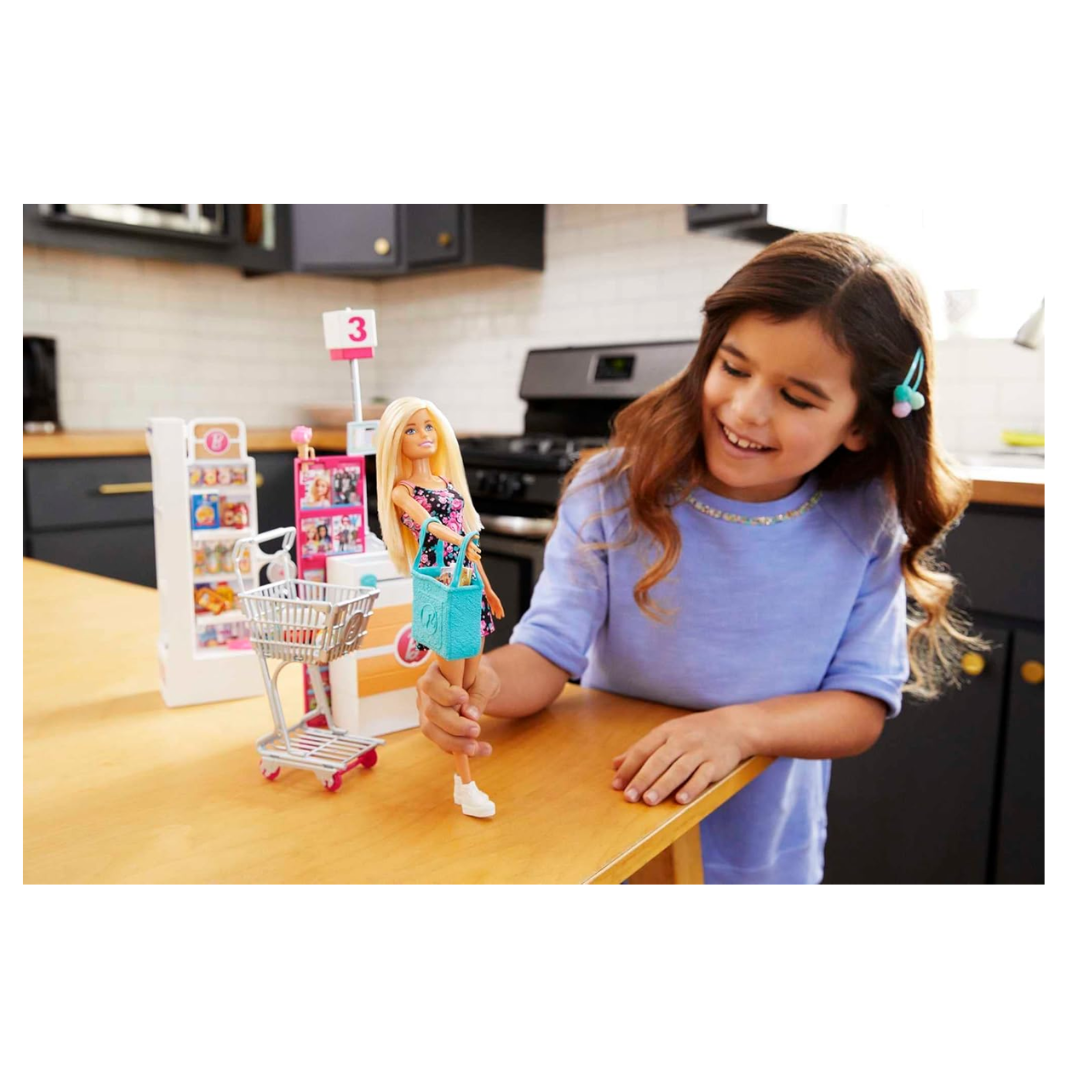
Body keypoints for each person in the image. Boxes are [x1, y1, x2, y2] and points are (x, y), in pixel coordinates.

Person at [414, 231, 985, 883]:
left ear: (862, 424)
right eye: (735, 368)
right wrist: (481, 684)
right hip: (610, 831)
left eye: (797, 398)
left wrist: (739, 730)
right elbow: (546, 654)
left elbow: (858, 706)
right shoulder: (611, 490)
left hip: (764, 858)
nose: (745, 409)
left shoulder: (865, 522)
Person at [375, 397, 505, 819]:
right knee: (452, 697)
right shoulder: (402, 491)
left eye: (427, 427)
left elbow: (473, 546)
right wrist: (457, 539)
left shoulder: (449, 486)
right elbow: (431, 527)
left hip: (469, 586)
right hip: (445, 588)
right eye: (411, 430)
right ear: (396, 441)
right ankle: (466, 783)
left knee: (468, 689)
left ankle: (460, 781)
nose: (422, 436)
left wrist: (488, 588)